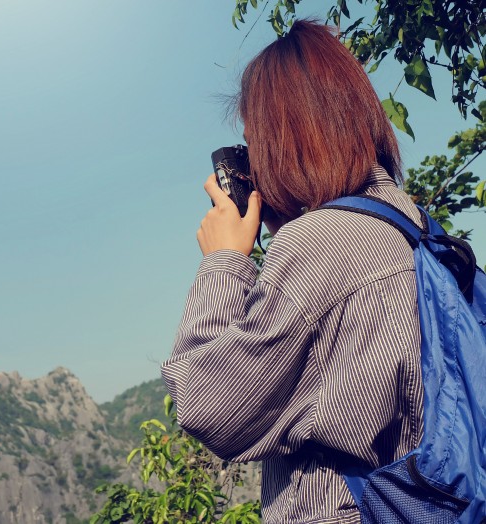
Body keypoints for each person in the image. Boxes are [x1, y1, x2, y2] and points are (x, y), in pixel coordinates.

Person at [160, 20, 422, 524]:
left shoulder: (323, 243)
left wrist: (225, 260)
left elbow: (206, 404)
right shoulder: (418, 232)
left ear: (285, 138)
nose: (254, 163)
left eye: (254, 142)